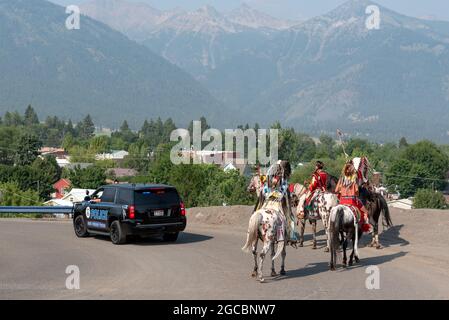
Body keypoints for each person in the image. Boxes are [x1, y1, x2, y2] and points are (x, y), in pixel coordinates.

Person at [335, 160, 371, 233]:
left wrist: (341, 191)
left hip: (342, 201)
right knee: (365, 211)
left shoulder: (341, 179)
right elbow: (357, 192)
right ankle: (365, 226)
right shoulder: (353, 179)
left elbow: (336, 190)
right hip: (351, 201)